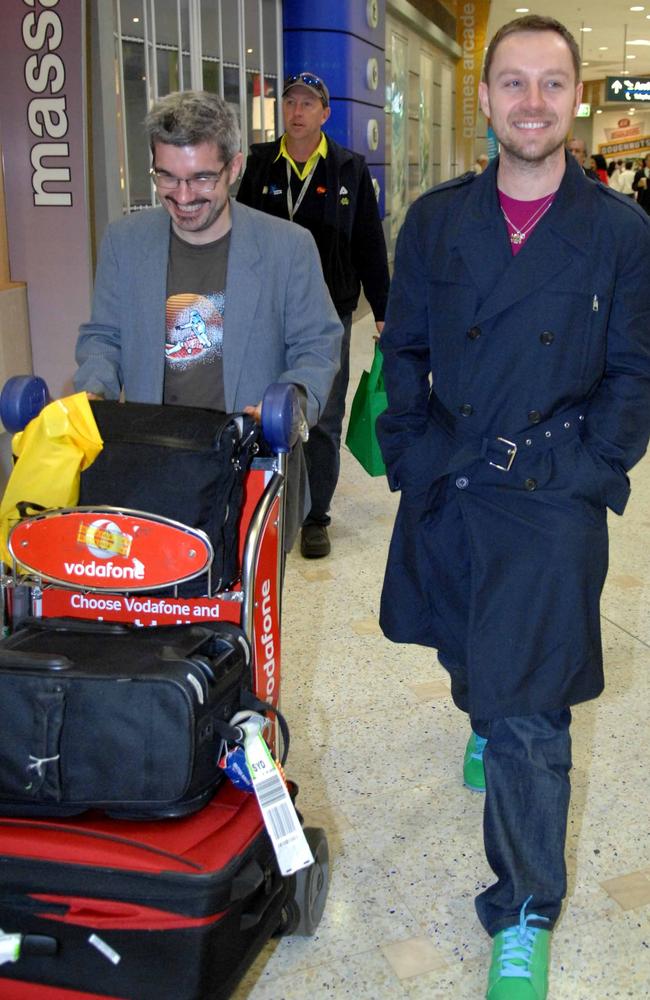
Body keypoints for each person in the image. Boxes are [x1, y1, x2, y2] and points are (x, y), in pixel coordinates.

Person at [377, 15, 650, 999]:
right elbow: (400, 348)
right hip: (449, 481)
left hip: (549, 493)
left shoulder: (619, 231)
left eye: (549, 83)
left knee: (529, 714)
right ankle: (476, 708)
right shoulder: (435, 221)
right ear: (484, 100)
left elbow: (633, 370)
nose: (530, 101)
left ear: (573, 98)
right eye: (512, 83)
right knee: (466, 659)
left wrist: (589, 464)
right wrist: (408, 450)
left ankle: (525, 904)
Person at [74, 90, 343, 552]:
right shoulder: (126, 242)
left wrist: (290, 402)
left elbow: (317, 347)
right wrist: (93, 390)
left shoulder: (288, 247)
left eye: (200, 179)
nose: (182, 197)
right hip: (152, 462)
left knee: (243, 619)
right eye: (167, 178)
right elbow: (104, 337)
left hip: (251, 469)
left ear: (234, 168)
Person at [237, 72, 390, 559]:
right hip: (264, 312)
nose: (297, 111)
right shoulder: (259, 164)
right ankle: (261, 507)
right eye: (290, 103)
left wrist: (384, 312)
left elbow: (369, 242)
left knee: (320, 414)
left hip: (330, 314)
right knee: (263, 407)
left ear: (325, 114)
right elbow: (235, 238)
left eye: (308, 104)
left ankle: (315, 515)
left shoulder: (348, 168)